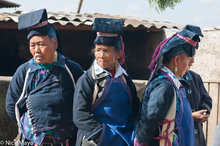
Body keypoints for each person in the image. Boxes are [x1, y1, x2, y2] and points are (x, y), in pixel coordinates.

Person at [5, 9, 84, 146]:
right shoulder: (25, 71)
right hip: (32, 139)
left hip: (65, 138)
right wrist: (25, 127)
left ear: (55, 44)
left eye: (41, 44)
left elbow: (84, 101)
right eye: (32, 45)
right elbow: (12, 105)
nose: (36, 50)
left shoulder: (71, 69)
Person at [73, 17, 140, 146]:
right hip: (96, 140)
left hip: (124, 138)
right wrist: (102, 135)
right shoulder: (87, 80)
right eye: (98, 50)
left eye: (106, 51)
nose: (101, 55)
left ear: (119, 53)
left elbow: (135, 109)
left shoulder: (125, 79)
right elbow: (79, 114)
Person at [134, 25, 203, 146]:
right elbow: (148, 125)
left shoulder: (173, 85)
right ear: (176, 60)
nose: (189, 65)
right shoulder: (164, 88)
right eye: (187, 62)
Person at [180, 49, 212, 146]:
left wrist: (204, 112)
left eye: (194, 56)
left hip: (197, 137)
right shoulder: (169, 82)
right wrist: (190, 117)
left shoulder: (195, 78)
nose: (193, 61)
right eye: (190, 56)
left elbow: (206, 100)